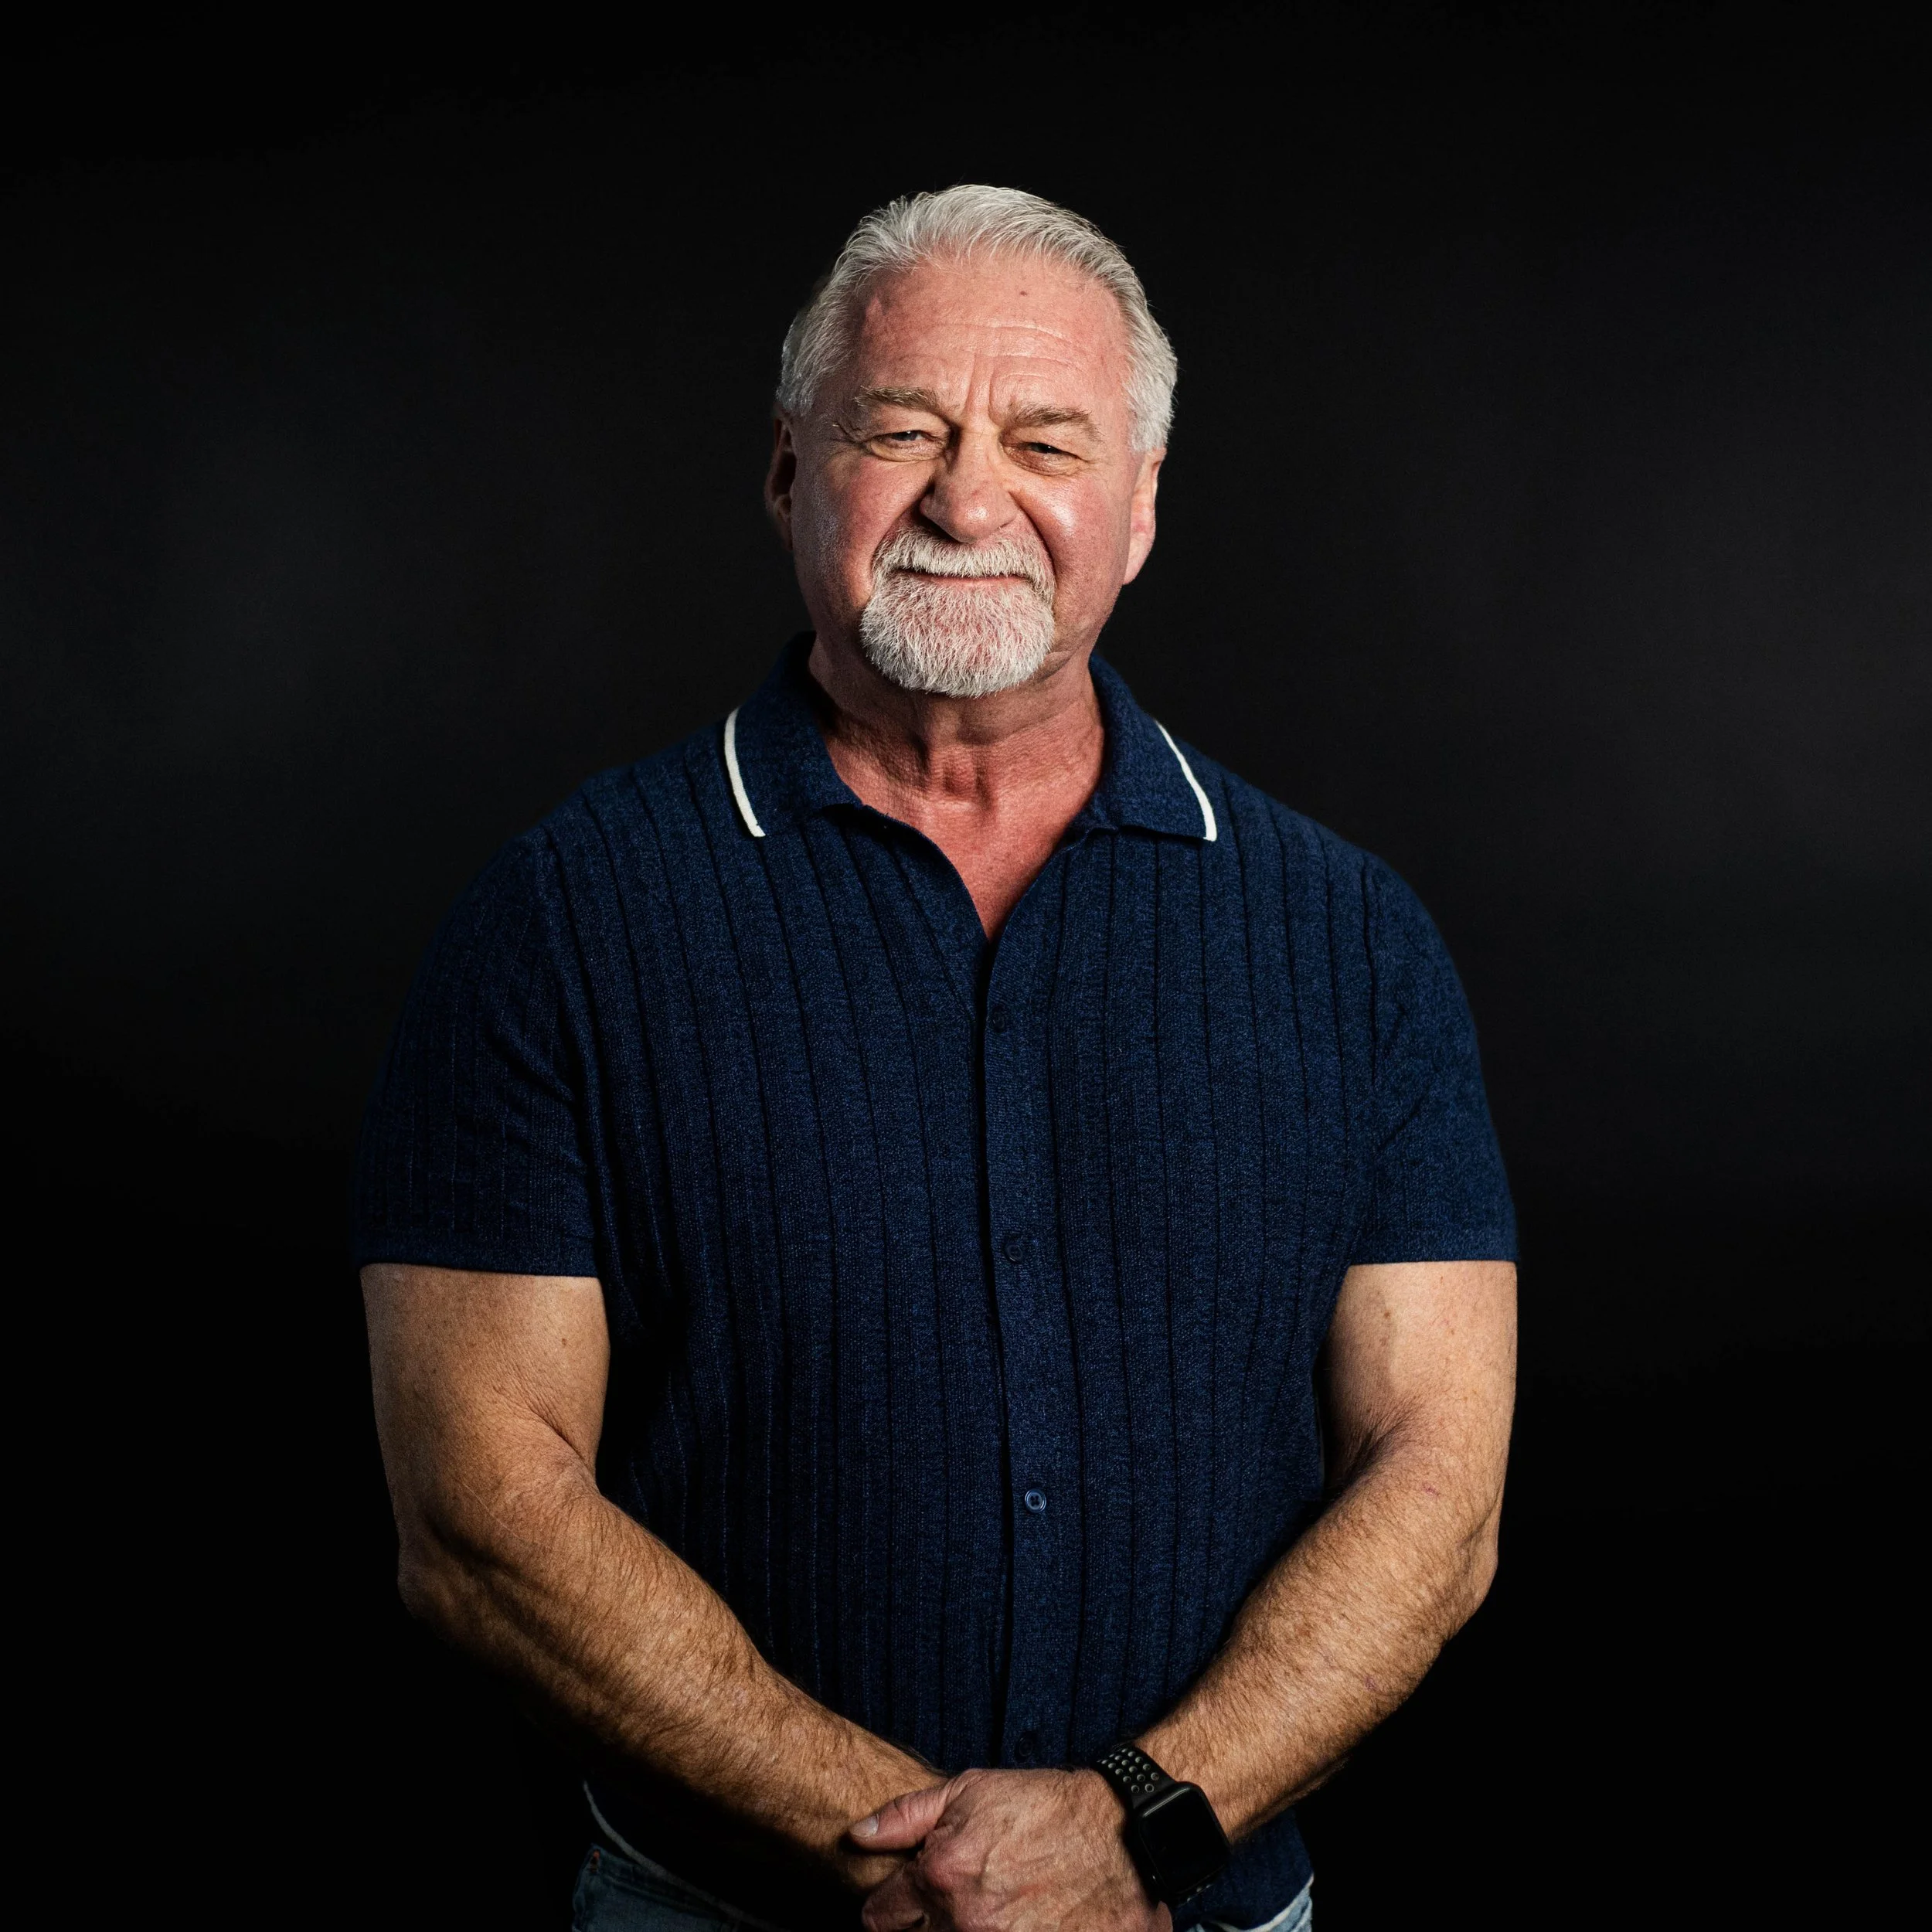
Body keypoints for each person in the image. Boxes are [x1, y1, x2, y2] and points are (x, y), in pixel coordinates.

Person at [357, 185, 1517, 1932]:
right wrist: (934, 1866)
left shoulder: (1352, 941)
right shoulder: (558, 922)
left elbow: (1437, 1492)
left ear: (1139, 507)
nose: (968, 501)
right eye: (900, 430)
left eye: (1045, 443)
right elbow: (474, 1514)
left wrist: (1137, 1823)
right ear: (787, 471)